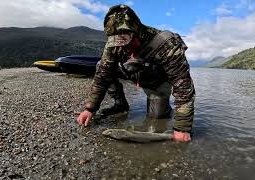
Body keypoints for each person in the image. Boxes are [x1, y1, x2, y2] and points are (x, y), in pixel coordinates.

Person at [77, 4, 195, 142]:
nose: (123, 47)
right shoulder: (113, 45)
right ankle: (120, 104)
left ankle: (165, 108)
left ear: (137, 31)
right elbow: (102, 75)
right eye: (117, 43)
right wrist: (90, 109)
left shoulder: (167, 45)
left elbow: (183, 86)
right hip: (132, 73)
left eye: (127, 42)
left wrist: (182, 127)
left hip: (156, 83)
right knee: (100, 66)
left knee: (157, 120)